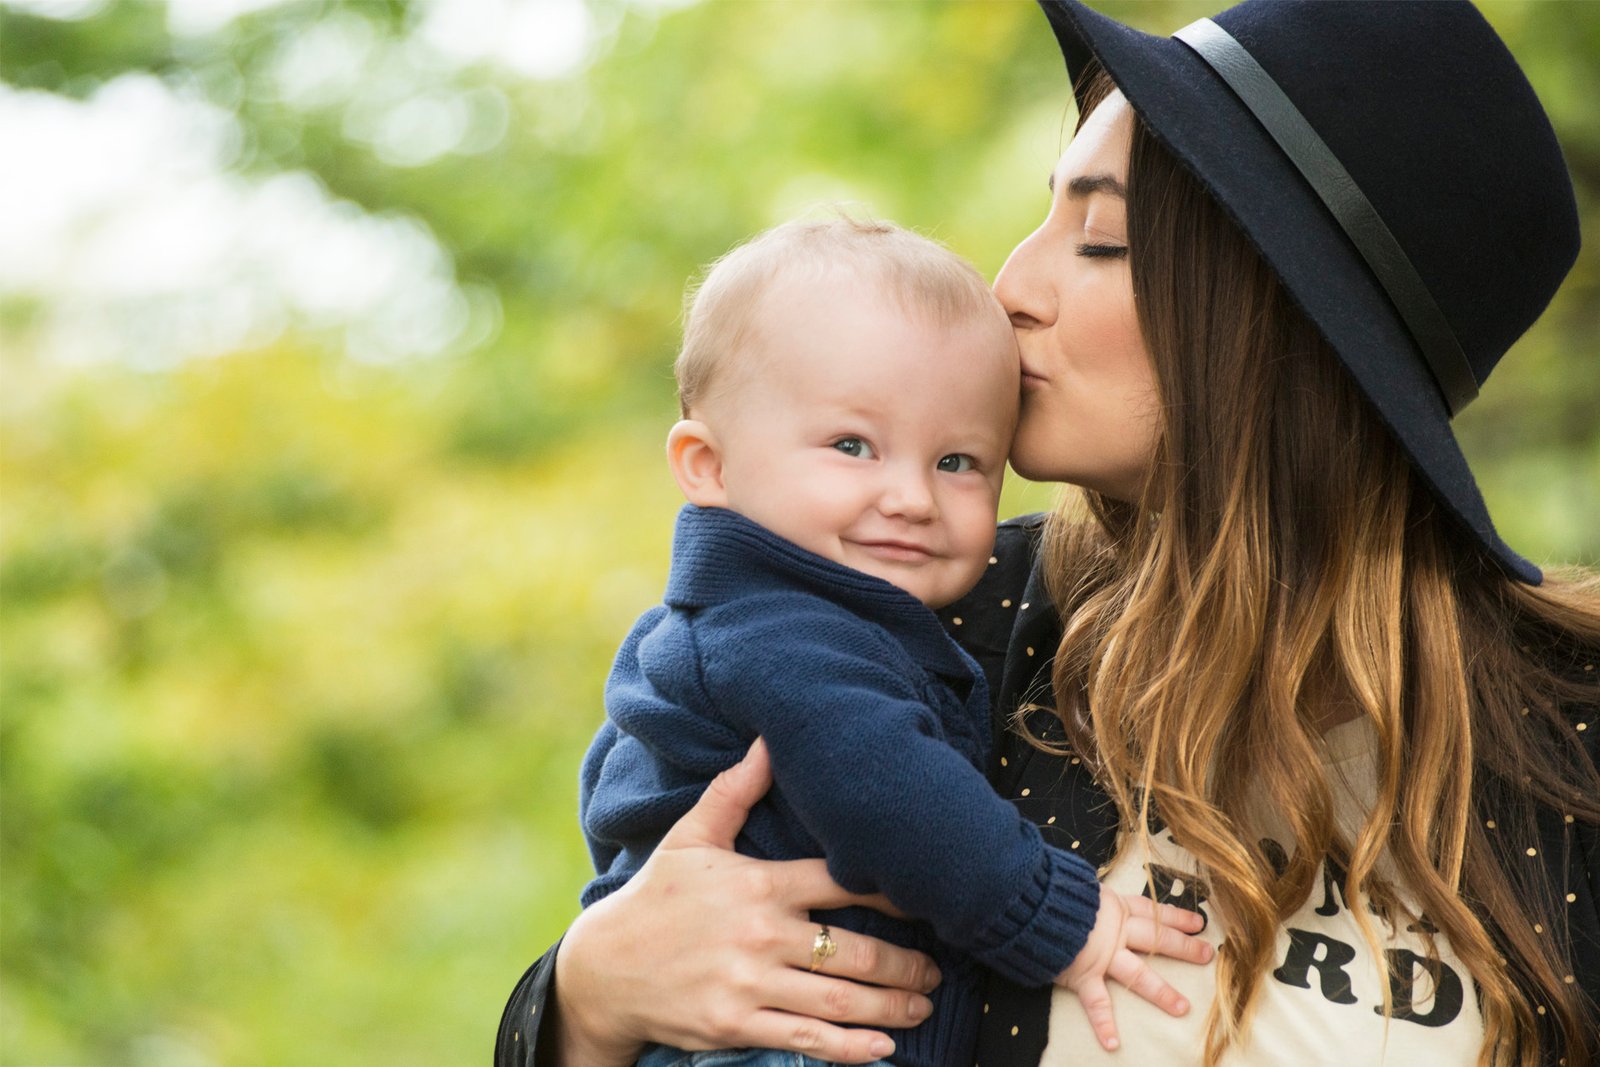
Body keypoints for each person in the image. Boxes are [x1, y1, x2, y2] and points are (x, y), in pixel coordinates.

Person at [496, 2, 1600, 1065]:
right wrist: (586, 999)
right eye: (1042, 215)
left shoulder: (1570, 735)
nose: (1010, 285)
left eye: (1101, 241)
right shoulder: (942, 610)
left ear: (1282, 325)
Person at [578, 216, 1210, 1067]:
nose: (912, 496)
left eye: (957, 462)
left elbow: (610, 788)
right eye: (852, 446)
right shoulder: (782, 629)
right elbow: (891, 790)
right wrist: (1063, 921)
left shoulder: (754, 619)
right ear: (708, 465)